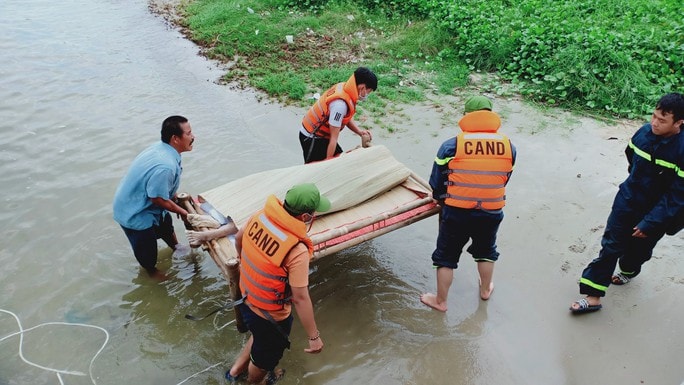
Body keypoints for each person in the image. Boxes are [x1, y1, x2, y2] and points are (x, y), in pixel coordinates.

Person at [570, 93, 684, 314]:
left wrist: (651, 222)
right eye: (654, 116)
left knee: (637, 252)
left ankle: (629, 271)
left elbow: (677, 196)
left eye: (662, 120)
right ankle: (593, 296)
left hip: (656, 211)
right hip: (628, 200)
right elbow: (631, 157)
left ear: (679, 123)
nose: (654, 123)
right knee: (611, 245)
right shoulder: (643, 133)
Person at [225, 183, 330, 384]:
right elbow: (300, 298)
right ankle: (254, 380)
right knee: (265, 357)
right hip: (271, 316)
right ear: (306, 217)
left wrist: (244, 260)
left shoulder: (261, 216)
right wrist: (314, 337)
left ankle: (235, 371)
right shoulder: (296, 250)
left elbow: (239, 239)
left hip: (246, 298)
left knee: (259, 335)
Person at [421, 96, 516, 312]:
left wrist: (441, 198)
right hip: (491, 211)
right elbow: (503, 177)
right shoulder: (509, 147)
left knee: (446, 257)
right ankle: (485, 290)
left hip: (457, 212)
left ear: (466, 116)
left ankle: (441, 301)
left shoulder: (451, 145)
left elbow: (436, 182)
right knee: (486, 251)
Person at [113, 115, 194, 281]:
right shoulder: (165, 166)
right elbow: (157, 198)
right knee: (147, 249)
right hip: (134, 211)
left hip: (148, 201)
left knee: (166, 224)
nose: (193, 137)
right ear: (175, 139)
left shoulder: (163, 149)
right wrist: (184, 213)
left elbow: (162, 190)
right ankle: (152, 272)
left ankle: (176, 246)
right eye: (189, 133)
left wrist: (176, 199)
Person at [299, 66, 377, 163]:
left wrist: (359, 132)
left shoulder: (345, 88)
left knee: (339, 158)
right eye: (368, 92)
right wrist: (329, 163)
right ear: (362, 88)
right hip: (312, 138)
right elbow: (333, 138)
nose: (367, 95)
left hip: (322, 136)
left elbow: (345, 118)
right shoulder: (340, 106)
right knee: (316, 169)